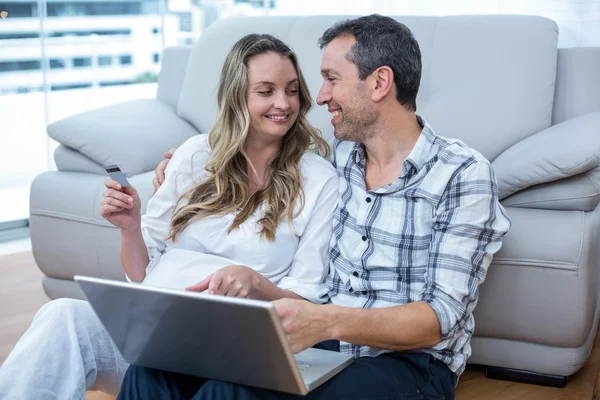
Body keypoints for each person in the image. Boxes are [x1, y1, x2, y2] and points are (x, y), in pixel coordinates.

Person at [120, 14, 511, 400]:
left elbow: (438, 321)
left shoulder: (461, 174)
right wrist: (184, 166)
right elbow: (258, 149)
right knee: (152, 372)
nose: (320, 96)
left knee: (232, 393)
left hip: (407, 366)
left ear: (379, 83)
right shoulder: (338, 159)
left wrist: (324, 322)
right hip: (322, 348)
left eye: (331, 79)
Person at [0, 34, 338, 400]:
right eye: (266, 91)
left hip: (231, 351)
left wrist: (255, 283)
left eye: (291, 90)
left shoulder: (318, 179)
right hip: (151, 337)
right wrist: (130, 228)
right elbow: (141, 273)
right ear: (236, 96)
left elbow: (308, 305)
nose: (283, 103)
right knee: (61, 316)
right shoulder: (194, 155)